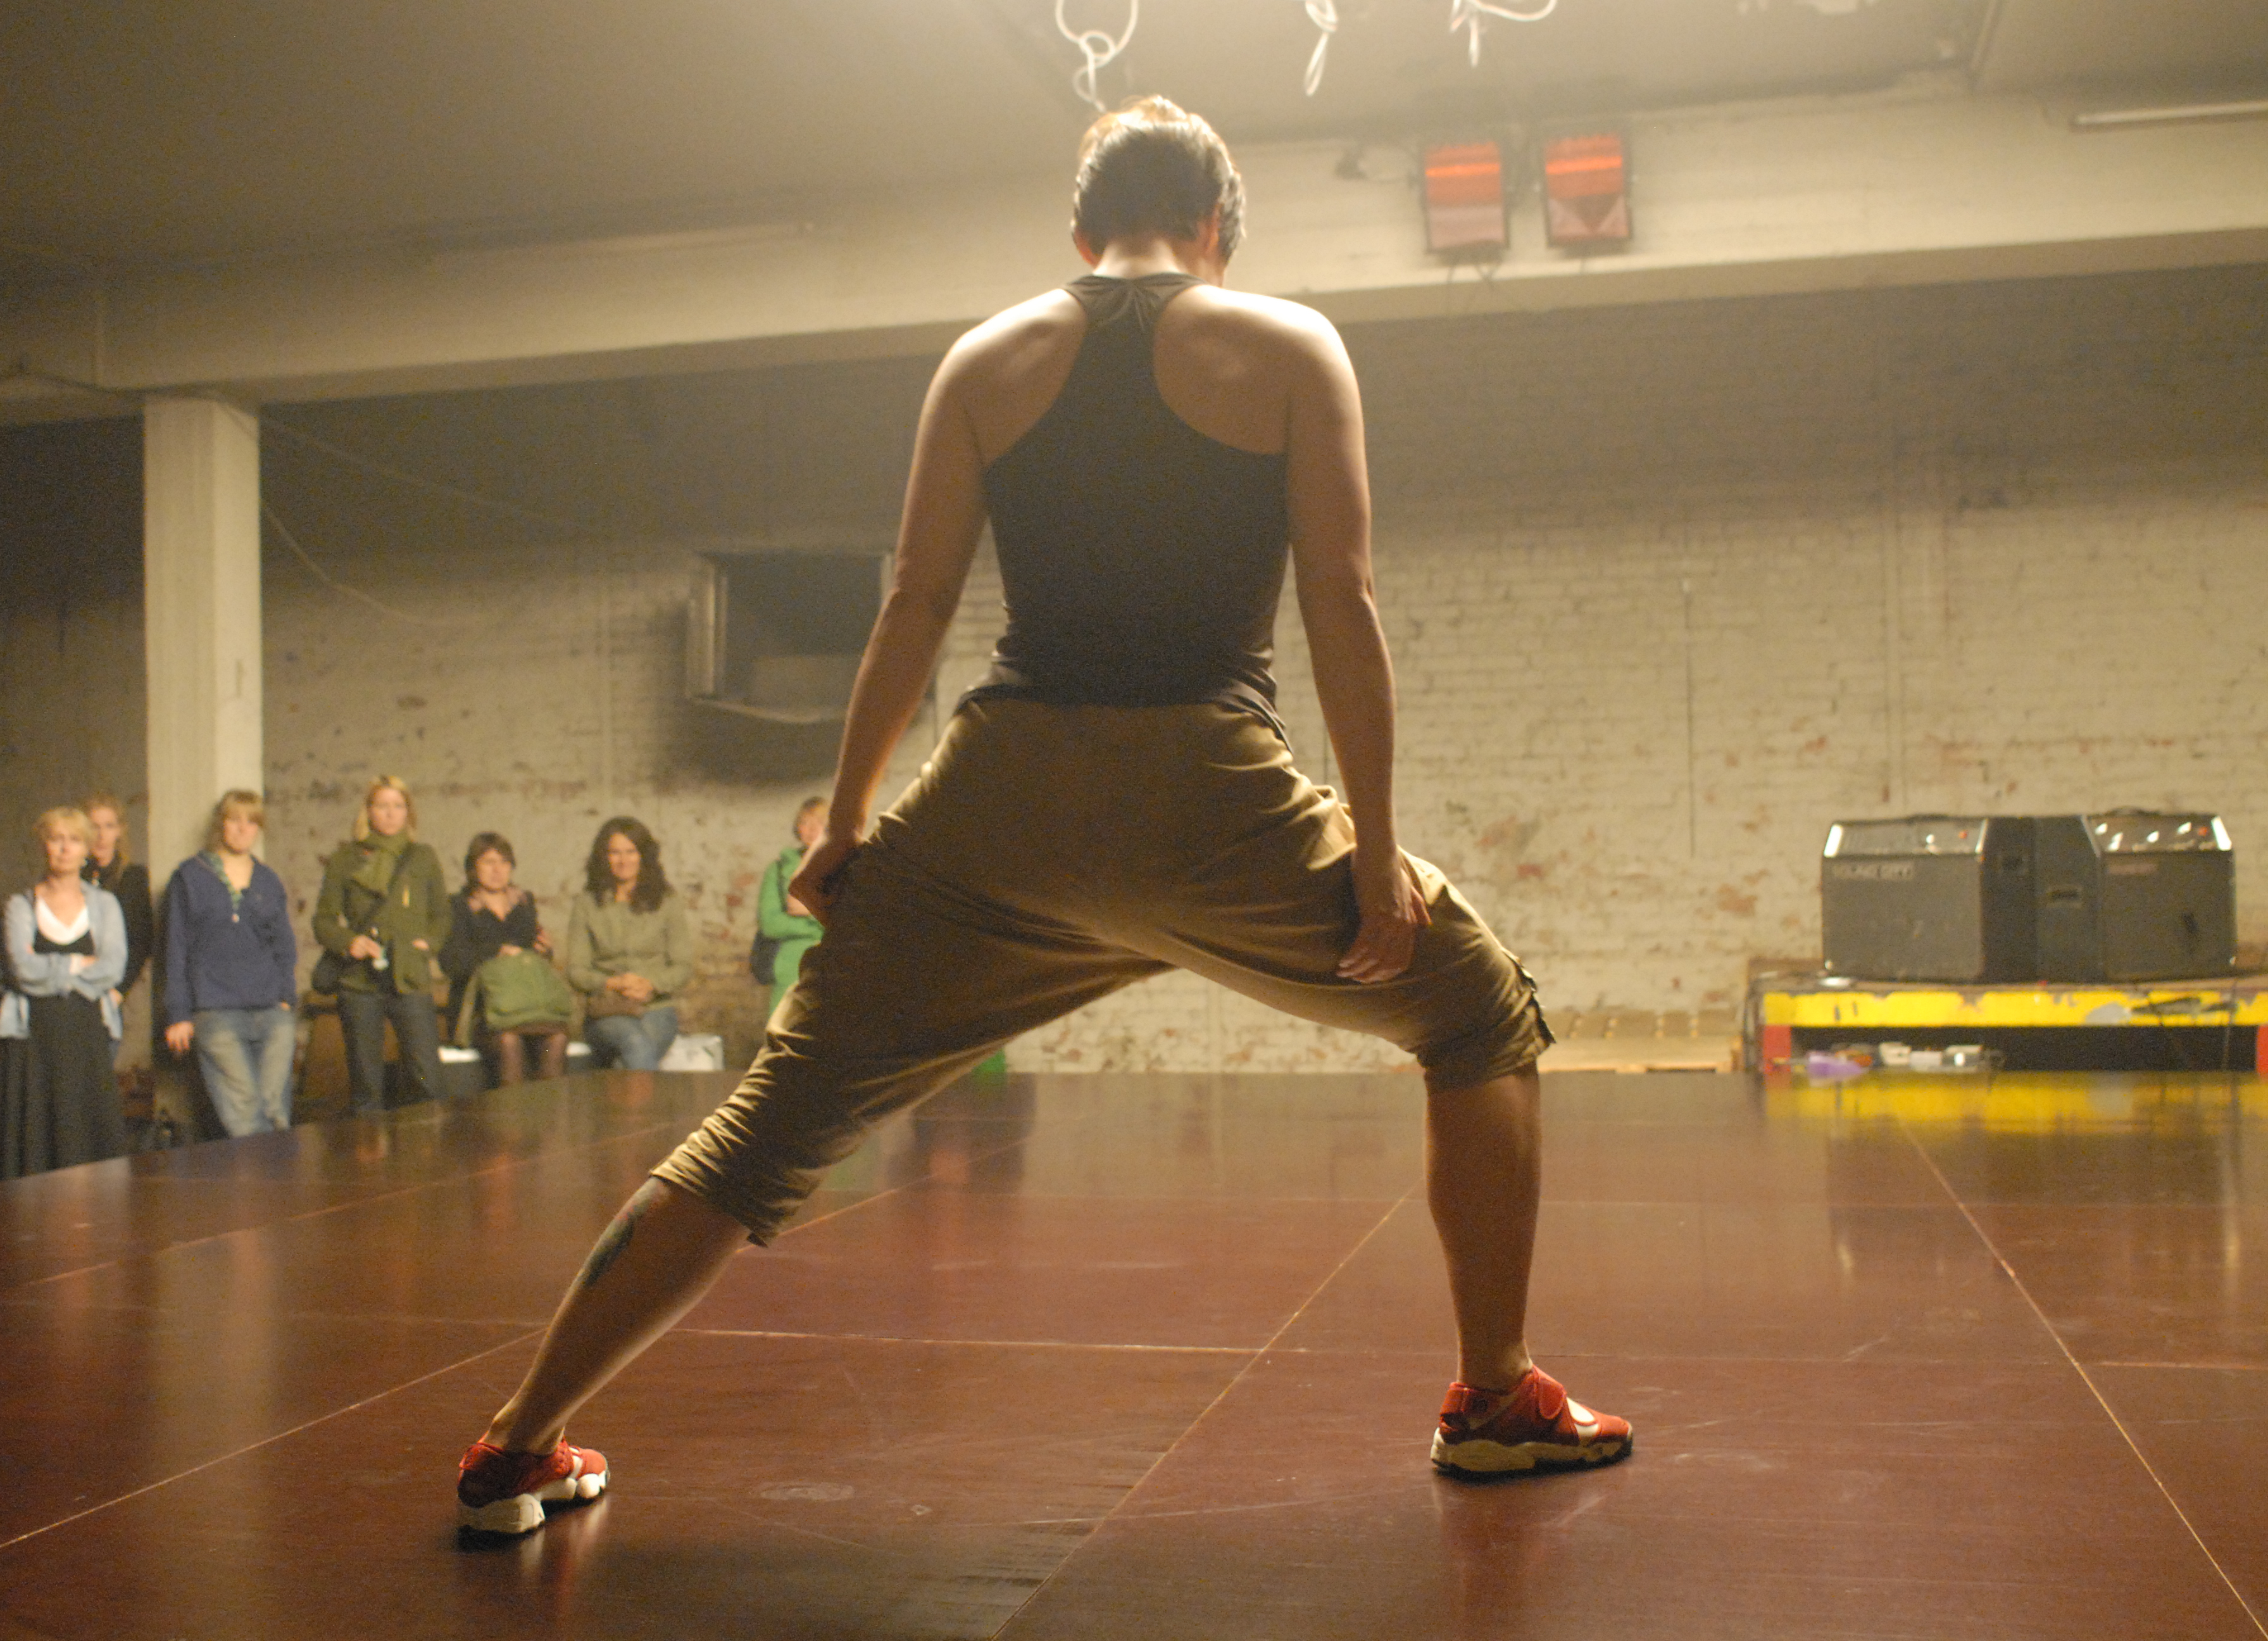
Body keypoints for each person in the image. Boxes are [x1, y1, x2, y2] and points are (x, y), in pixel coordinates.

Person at [451, 97, 1627, 1537]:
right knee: (1477, 1010)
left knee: (768, 1127)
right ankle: (1495, 1399)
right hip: (1210, 797)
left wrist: (844, 822)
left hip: (997, 806)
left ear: (1080, 230)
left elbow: (914, 601)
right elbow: (1343, 601)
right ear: (1215, 227)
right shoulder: (1289, 347)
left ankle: (515, 1447)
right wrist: (1376, 859)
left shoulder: (983, 361)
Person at [0, 807, 128, 1178]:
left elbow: (112, 967)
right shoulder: (21, 905)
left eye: (74, 840)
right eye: (56, 839)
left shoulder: (105, 905)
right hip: (34, 1035)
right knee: (38, 1134)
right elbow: (22, 970)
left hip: (86, 1030)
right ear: (44, 846)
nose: (65, 848)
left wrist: (50, 968)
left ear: (86, 849)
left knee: (85, 1130)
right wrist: (75, 965)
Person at [160, 791, 299, 1137]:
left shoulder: (267, 880)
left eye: (251, 822)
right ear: (220, 824)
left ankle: (280, 1175)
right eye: (234, 820)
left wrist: (286, 996)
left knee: (276, 1113)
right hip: (216, 1011)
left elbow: (284, 945)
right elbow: (175, 948)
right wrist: (178, 1013)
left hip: (271, 1010)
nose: (242, 829)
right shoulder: (191, 877)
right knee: (244, 1116)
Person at [313, 776, 449, 1115]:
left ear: (408, 813)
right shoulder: (346, 858)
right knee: (366, 1088)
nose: (390, 814)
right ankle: (370, 1148)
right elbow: (324, 920)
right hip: (360, 981)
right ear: (369, 811)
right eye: (382, 806)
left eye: (398, 806)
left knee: (428, 1080)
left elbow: (442, 915)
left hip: (410, 976)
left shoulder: (422, 857)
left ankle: (427, 1148)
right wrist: (349, 942)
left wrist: (428, 945)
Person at [441, 833, 568, 1086]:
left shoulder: (524, 903)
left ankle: (549, 1109)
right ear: (473, 867)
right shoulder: (458, 906)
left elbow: (534, 958)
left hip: (527, 1009)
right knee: (509, 1041)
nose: (497, 870)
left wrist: (544, 951)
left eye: (504, 862)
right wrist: (496, 953)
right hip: (483, 1012)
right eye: (488, 862)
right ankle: (513, 1110)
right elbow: (451, 962)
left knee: (556, 1039)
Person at [565, 817, 689, 1072]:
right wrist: (614, 983)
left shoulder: (668, 901)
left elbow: (683, 966)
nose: (624, 861)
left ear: (643, 855)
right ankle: (651, 1103)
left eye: (631, 852)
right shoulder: (587, 904)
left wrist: (650, 984)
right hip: (608, 1011)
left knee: (627, 1062)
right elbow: (576, 971)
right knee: (635, 1043)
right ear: (604, 857)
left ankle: (620, 1099)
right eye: (615, 853)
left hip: (656, 1009)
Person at [81, 794, 157, 1075]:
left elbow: (140, 942)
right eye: (94, 826)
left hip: (116, 987)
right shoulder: (72, 877)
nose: (101, 836)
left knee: (108, 1070)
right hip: (76, 984)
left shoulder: (132, 877)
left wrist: (118, 991)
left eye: (109, 826)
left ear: (120, 830)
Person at [755, 797, 827, 1020]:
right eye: (805, 822)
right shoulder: (778, 871)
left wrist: (811, 909)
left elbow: (853, 920)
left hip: (832, 970)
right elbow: (770, 924)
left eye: (820, 822)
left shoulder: (846, 868)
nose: (812, 829)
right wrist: (818, 924)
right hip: (789, 971)